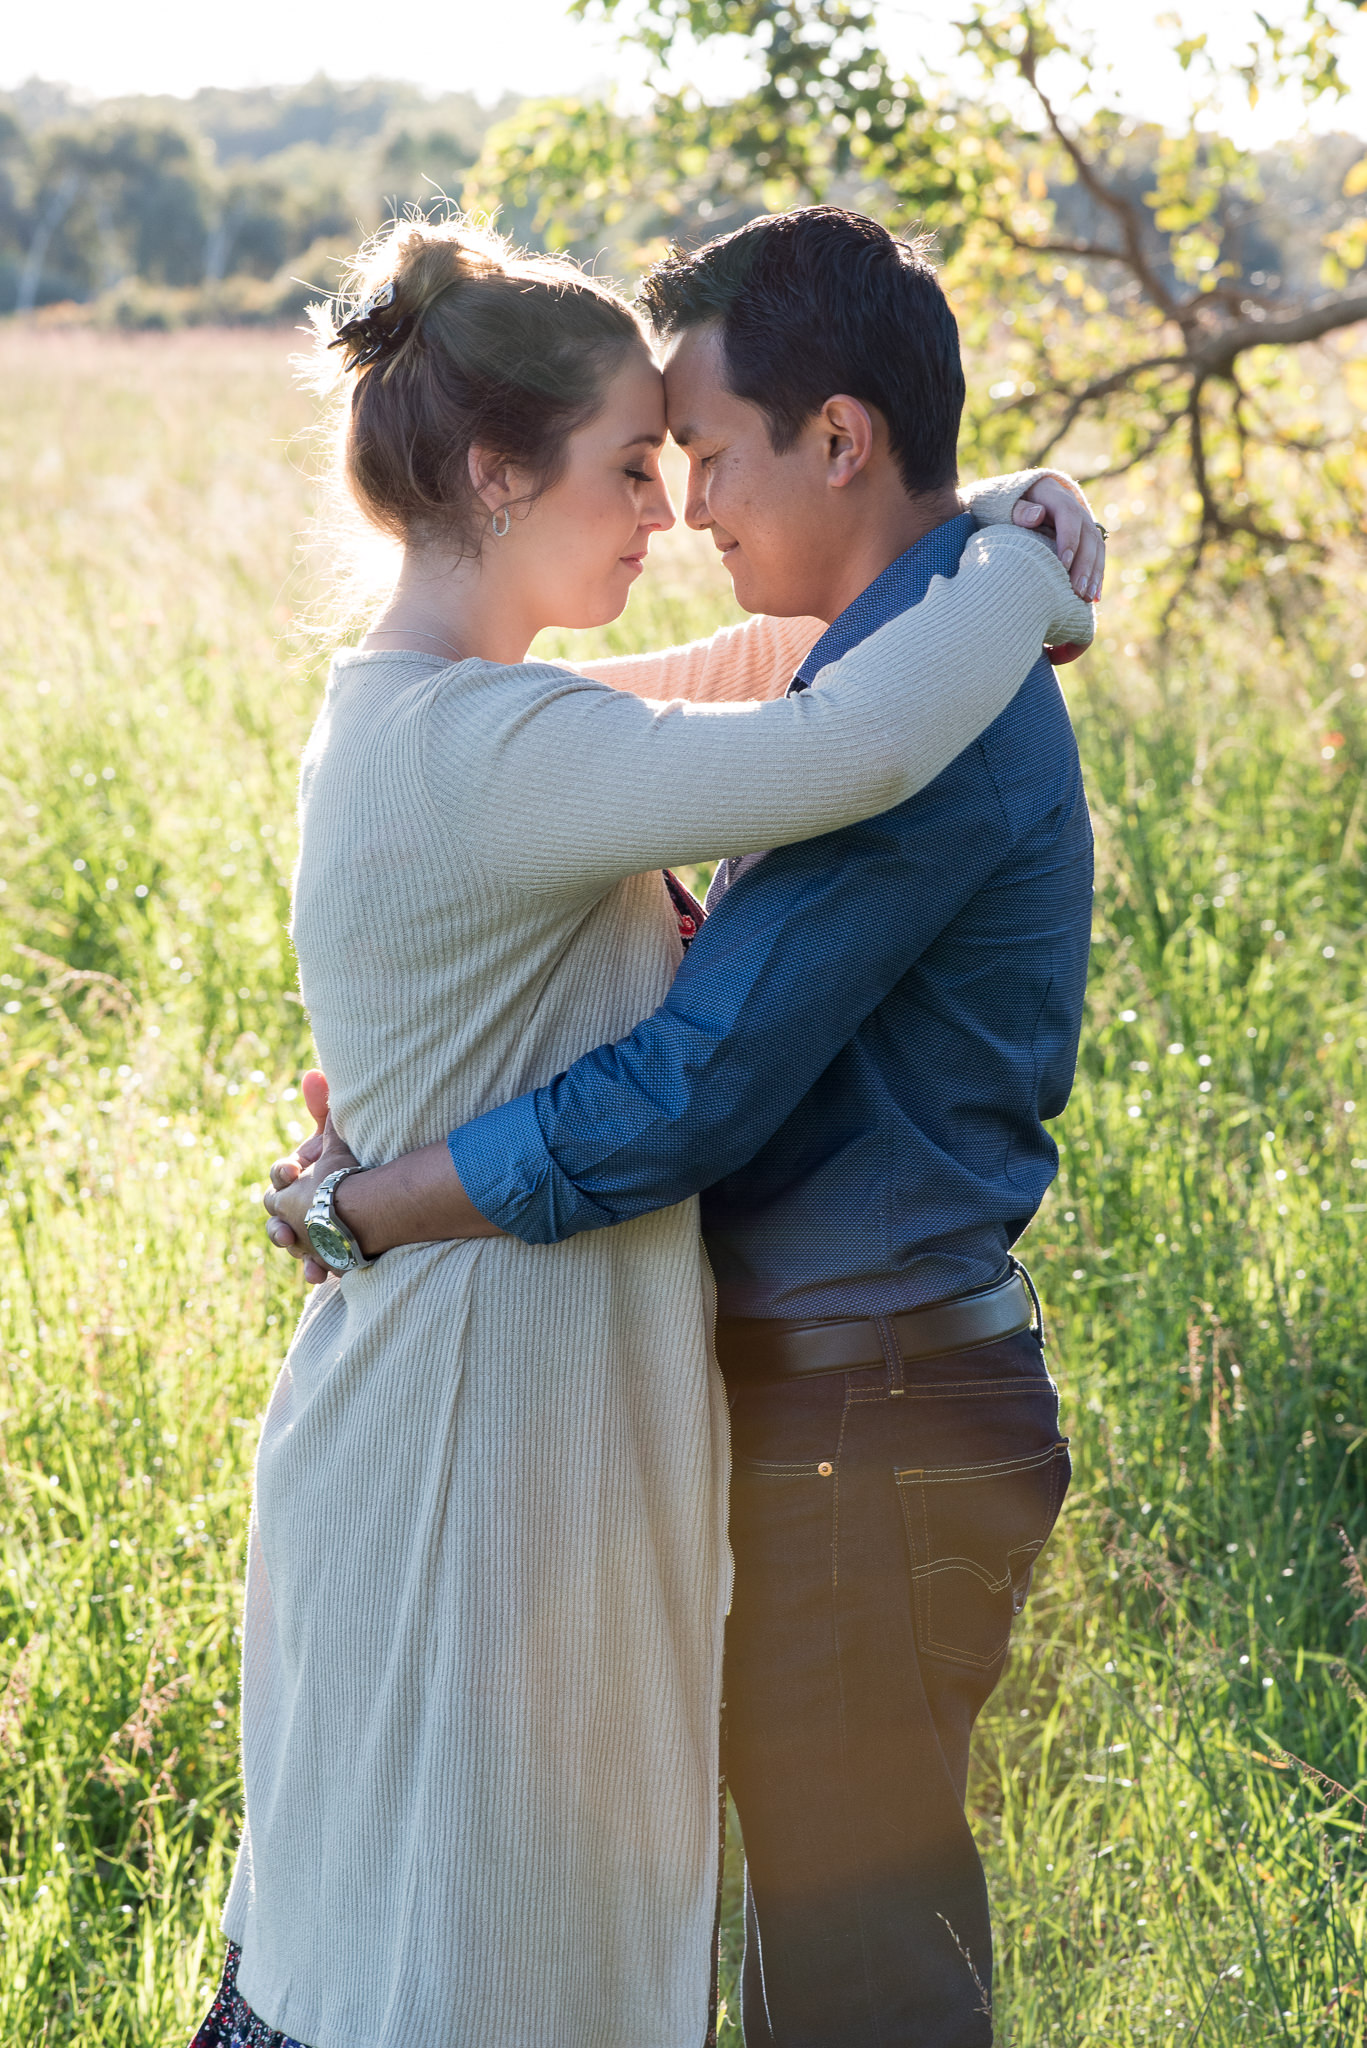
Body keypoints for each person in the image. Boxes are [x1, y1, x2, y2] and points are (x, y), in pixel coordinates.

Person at [263, 207, 1104, 2048]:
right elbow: (799, 720)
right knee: (598, 1933)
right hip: (648, 1407)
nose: (682, 509)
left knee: (846, 1970)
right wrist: (1006, 554)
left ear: (841, 438)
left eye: (697, 456)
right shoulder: (500, 732)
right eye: (638, 465)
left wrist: (384, 1198)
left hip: (853, 1414)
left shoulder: (884, 704)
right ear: (498, 476)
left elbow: (696, 1082)